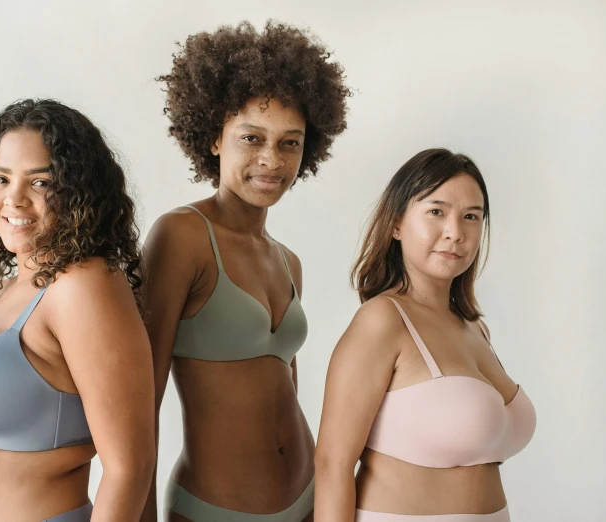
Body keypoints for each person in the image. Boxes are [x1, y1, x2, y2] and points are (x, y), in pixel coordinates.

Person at [141, 21, 350, 522]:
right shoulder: (181, 236)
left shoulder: (287, 259)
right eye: (251, 138)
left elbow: (285, 387)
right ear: (214, 137)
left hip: (309, 497)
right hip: (214, 508)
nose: (271, 160)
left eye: (289, 143)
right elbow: (137, 399)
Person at [0, 99, 155, 522]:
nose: (14, 198)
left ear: (78, 191)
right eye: (0, 179)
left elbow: (128, 469)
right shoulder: (12, 289)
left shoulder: (85, 285)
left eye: (41, 182)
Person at [315, 149, 536, 522]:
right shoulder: (382, 321)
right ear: (397, 224)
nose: (455, 232)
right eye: (437, 212)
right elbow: (332, 464)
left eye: (471, 217)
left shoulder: (474, 327)